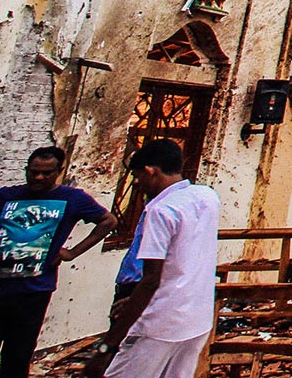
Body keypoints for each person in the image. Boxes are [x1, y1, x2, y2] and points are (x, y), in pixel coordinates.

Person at [87, 139, 219, 378]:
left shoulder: (161, 211)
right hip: (196, 317)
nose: (137, 184)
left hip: (160, 322)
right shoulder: (207, 197)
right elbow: (182, 261)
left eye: (137, 176)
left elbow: (151, 279)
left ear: (151, 171)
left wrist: (107, 346)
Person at [0, 146, 115, 378]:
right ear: (27, 170)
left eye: (46, 173)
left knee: (18, 356)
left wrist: (72, 253)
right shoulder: (5, 197)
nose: (39, 178)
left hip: (33, 291)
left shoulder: (72, 199)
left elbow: (107, 221)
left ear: (59, 171)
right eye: (33, 172)